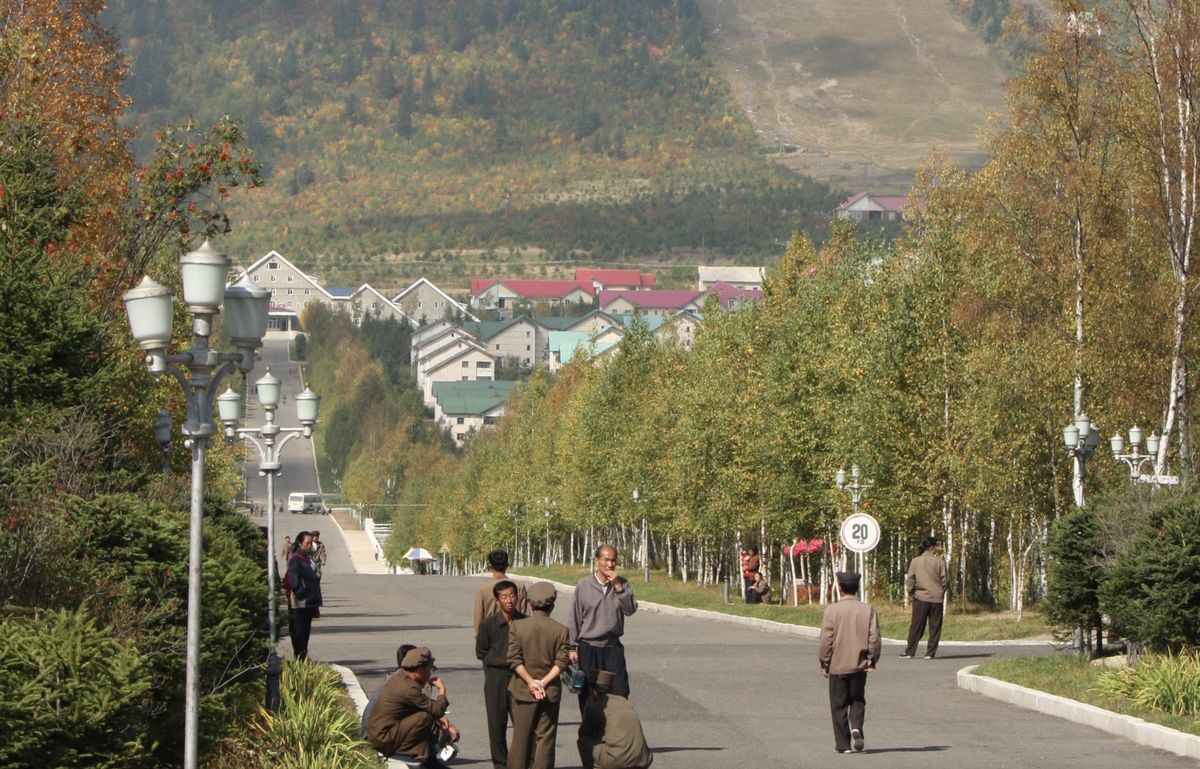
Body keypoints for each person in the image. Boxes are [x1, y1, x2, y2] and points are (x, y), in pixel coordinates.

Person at [507, 581, 571, 769]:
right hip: (549, 691)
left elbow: (514, 660)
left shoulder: (518, 627)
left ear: (529, 603)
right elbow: (562, 662)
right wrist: (542, 682)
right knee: (545, 739)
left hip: (522, 691)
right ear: (552, 605)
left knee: (521, 738)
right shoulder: (560, 630)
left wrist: (530, 682)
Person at [365, 646, 461, 768]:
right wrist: (442, 690)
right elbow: (436, 710)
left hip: (382, 733)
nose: (430, 673)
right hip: (383, 739)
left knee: (426, 715)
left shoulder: (401, 678)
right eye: (429, 670)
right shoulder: (407, 688)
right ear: (420, 669)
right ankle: (406, 754)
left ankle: (426, 757)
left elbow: (423, 703)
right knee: (424, 717)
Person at [818, 571, 880, 754]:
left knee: (838, 705)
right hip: (859, 665)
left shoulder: (831, 610)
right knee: (857, 699)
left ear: (841, 588)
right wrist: (871, 659)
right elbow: (874, 638)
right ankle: (857, 727)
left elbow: (826, 640)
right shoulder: (867, 610)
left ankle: (843, 744)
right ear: (857, 588)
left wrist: (824, 662)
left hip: (837, 666)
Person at [569, 544, 637, 710]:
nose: (610, 564)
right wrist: (572, 647)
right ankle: (590, 733)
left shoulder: (622, 584)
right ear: (596, 561)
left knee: (620, 692)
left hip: (612, 647)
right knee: (589, 695)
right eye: (606, 559)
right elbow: (575, 617)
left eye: (613, 560)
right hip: (589, 648)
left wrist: (618, 587)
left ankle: (615, 732)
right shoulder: (583, 585)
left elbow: (630, 609)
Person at [476, 580, 526, 769]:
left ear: (518, 597)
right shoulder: (488, 624)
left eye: (512, 596)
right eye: (504, 597)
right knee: (497, 725)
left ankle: (522, 762)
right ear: (497, 601)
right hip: (496, 678)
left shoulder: (525, 622)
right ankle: (501, 764)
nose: (509, 601)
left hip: (519, 677)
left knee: (522, 725)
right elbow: (481, 651)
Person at [577, 670, 653, 769]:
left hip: (619, 760)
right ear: (611, 688)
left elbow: (583, 732)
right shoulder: (624, 701)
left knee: (584, 742)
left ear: (593, 691)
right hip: (643, 758)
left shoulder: (595, 706)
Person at [902, 535, 950, 659]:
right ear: (932, 547)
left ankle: (910, 651)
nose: (937, 549)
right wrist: (941, 591)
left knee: (916, 625)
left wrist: (911, 592)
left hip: (920, 597)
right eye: (936, 547)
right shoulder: (939, 562)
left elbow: (910, 579)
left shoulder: (916, 561)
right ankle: (930, 653)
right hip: (937, 599)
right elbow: (945, 580)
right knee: (935, 627)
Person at [285, 531, 322, 661]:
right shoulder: (296, 560)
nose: (309, 546)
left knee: (305, 634)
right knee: (299, 634)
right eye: (307, 543)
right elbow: (294, 581)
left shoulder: (307, 559)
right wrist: (303, 592)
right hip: (300, 605)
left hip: (307, 604)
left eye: (310, 543)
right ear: (300, 543)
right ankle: (299, 660)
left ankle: (302, 659)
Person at [474, 548, 529, 631]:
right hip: (515, 634)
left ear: (490, 565)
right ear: (507, 565)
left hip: (491, 634)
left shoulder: (482, 589)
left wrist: (480, 637)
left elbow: (479, 617)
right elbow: (525, 613)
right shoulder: (519, 586)